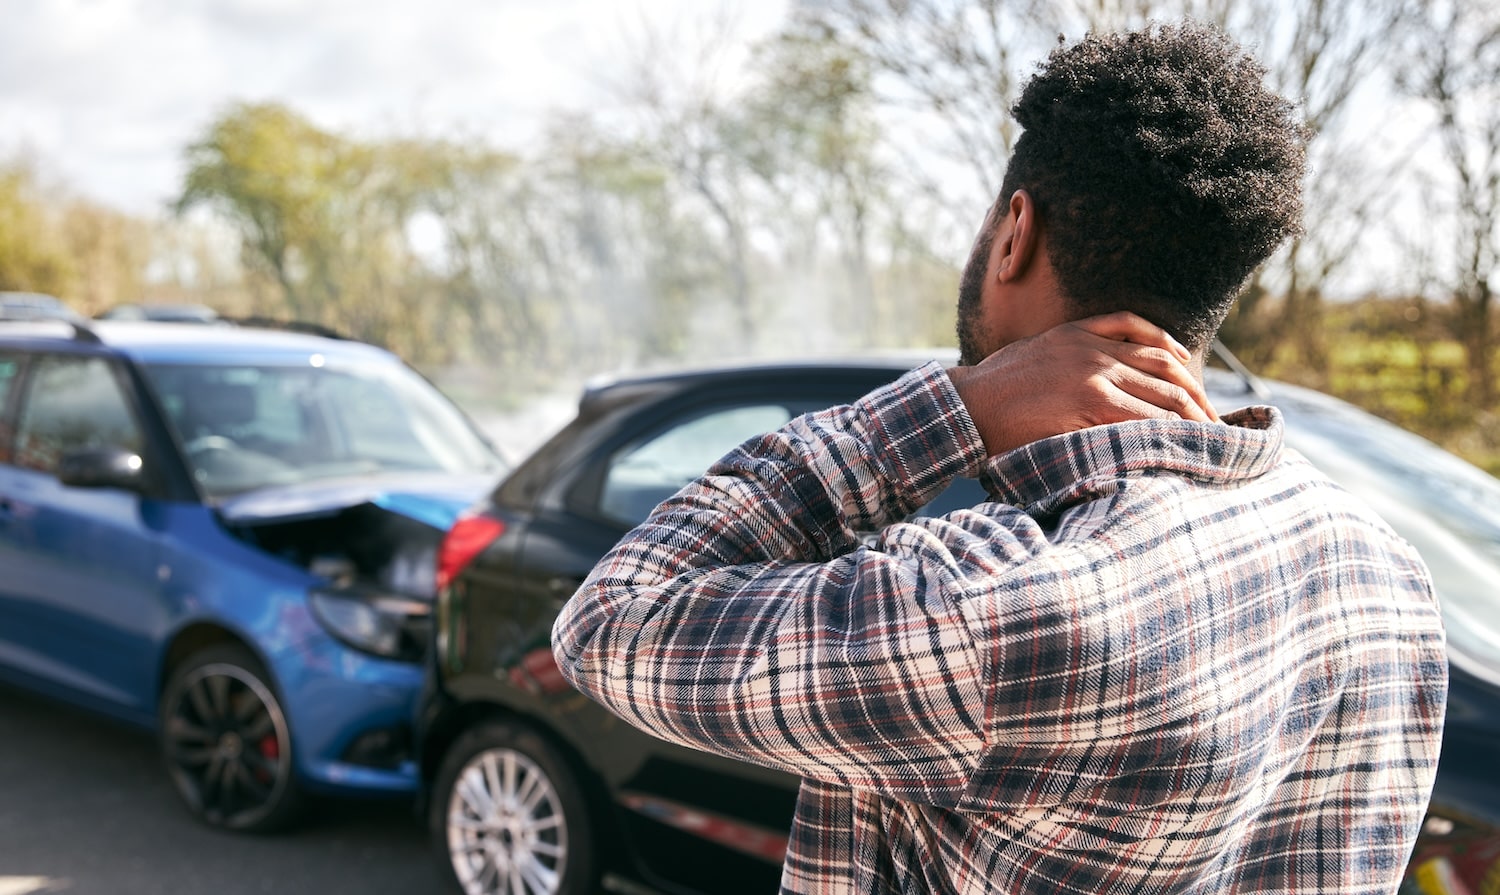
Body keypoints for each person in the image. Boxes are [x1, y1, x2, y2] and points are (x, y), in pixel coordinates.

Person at [553, 21, 1447, 895]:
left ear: (1015, 231)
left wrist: (957, 407)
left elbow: (610, 621)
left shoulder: (988, 603)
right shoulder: (1385, 573)